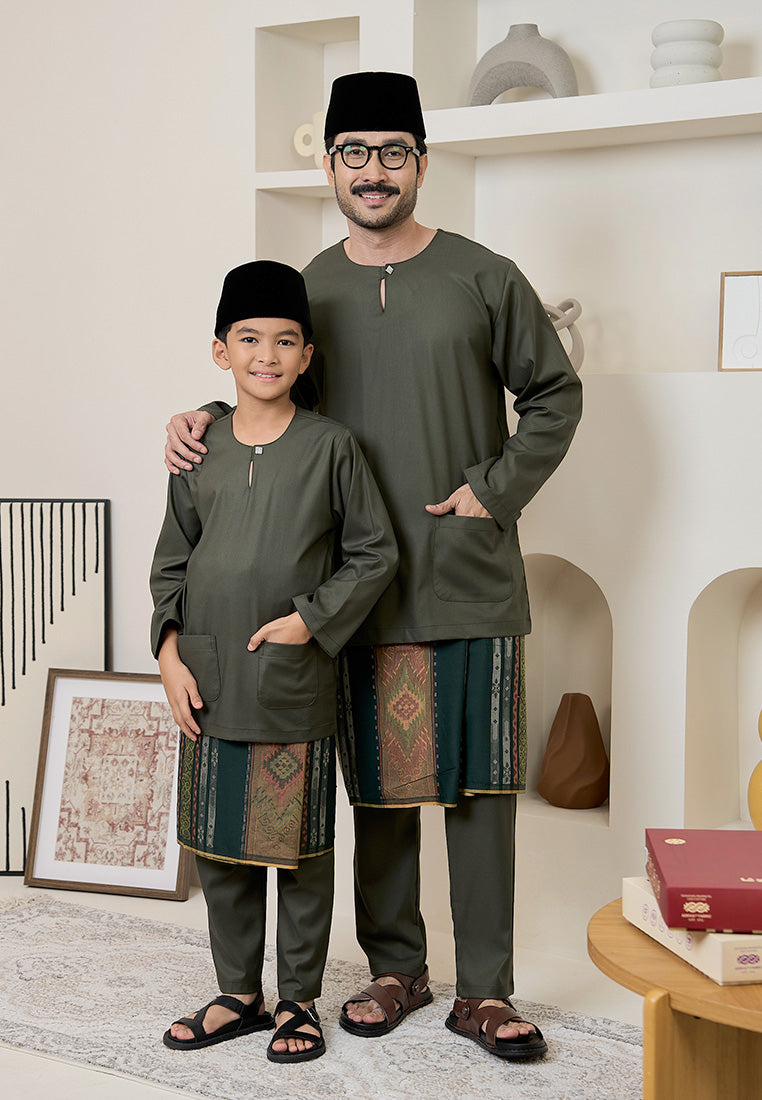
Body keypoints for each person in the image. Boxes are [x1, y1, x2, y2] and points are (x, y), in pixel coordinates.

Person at [164, 72, 582, 1062]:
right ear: (331, 166)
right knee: (381, 795)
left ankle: (487, 990)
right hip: (351, 593)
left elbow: (554, 395)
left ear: (422, 163)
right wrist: (206, 417)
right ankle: (397, 968)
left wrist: (493, 488)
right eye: (355, 152)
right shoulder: (312, 285)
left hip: (468, 575)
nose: (375, 170)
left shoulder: (485, 275)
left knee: (479, 794)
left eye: (395, 152)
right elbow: (271, 379)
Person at [151, 260, 398, 1063]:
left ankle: (298, 1000)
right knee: (220, 846)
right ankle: (238, 994)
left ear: (307, 354)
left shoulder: (332, 447)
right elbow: (171, 564)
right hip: (208, 677)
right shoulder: (199, 450)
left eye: (285, 341)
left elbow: (374, 552)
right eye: (249, 339)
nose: (267, 354)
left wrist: (310, 620)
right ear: (221, 351)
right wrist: (169, 655)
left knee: (298, 852)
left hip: (294, 680)